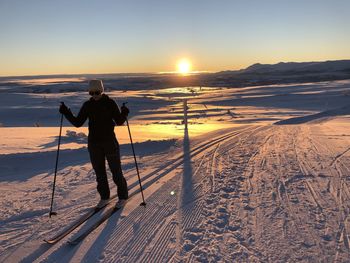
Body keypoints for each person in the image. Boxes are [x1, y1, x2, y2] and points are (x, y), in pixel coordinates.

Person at [59, 79, 129, 208]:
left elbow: (119, 121)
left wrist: (124, 113)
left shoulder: (110, 103)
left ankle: (123, 196)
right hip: (94, 144)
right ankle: (104, 197)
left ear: (102, 91)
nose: (95, 95)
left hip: (109, 142)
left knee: (116, 171)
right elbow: (78, 122)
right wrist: (66, 112)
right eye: (91, 93)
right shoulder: (88, 105)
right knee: (99, 172)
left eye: (97, 92)